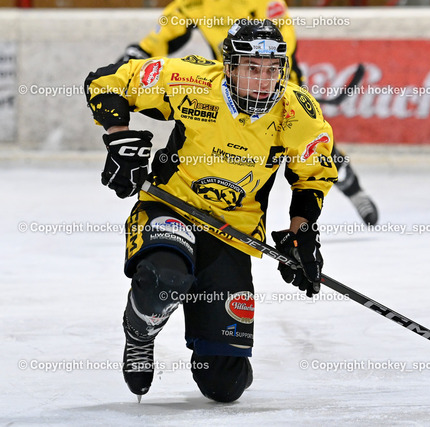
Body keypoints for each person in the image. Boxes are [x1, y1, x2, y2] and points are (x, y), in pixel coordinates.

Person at [85, 19, 336, 402]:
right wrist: (120, 141)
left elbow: (312, 175)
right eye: (252, 68)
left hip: (231, 230)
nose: (263, 80)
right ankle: (140, 332)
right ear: (230, 67)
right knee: (165, 278)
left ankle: (218, 356)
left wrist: (300, 233)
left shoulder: (297, 112)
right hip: (169, 206)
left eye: (272, 70)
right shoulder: (192, 81)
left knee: (225, 385)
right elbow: (106, 81)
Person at [117, 0, 378, 225]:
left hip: (276, 92)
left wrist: (270, 90)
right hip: (229, 94)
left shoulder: (266, 2)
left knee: (314, 152)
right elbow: (162, 37)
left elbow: (281, 51)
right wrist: (138, 53)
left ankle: (354, 189)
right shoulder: (194, 3)